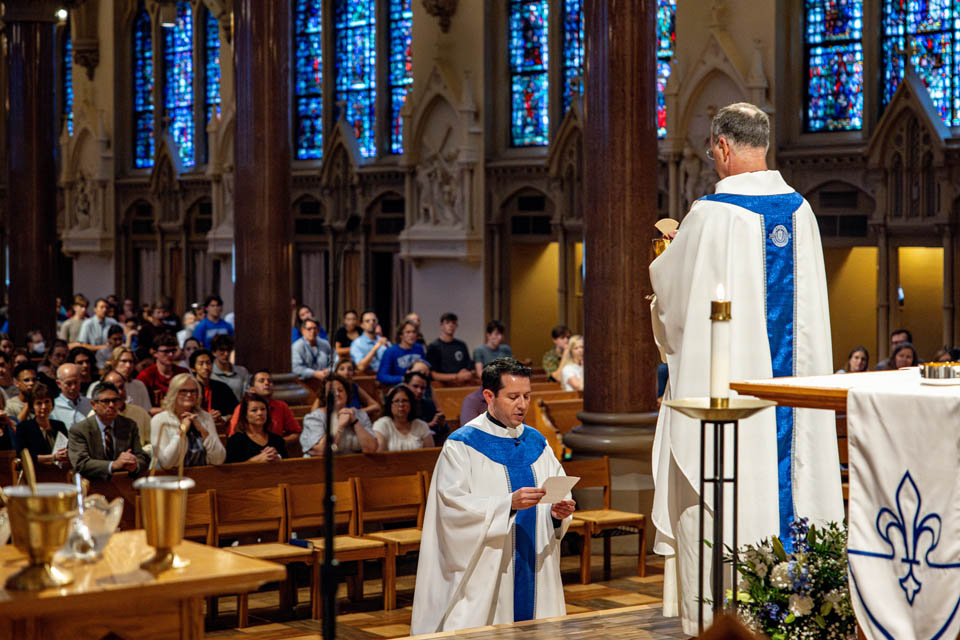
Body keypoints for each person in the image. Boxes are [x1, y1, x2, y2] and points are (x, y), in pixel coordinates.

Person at [649, 102, 844, 634]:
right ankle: (806, 606)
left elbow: (673, 300)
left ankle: (724, 621)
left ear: (722, 148)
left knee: (727, 492)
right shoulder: (802, 213)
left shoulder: (711, 216)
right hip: (793, 403)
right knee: (790, 474)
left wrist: (667, 249)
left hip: (729, 412)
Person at [410, 358, 576, 633]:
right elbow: (451, 508)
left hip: (533, 561)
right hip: (489, 570)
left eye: (526, 396)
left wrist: (557, 514)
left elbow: (557, 488)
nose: (522, 404)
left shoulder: (537, 441)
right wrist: (507, 504)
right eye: (513, 397)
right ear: (489, 396)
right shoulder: (462, 445)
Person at [68, 382, 150, 480]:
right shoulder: (80, 430)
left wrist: (135, 466)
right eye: (106, 401)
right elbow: (80, 463)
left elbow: (142, 457)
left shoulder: (129, 425)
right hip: (93, 486)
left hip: (123, 484)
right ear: (94, 405)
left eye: (115, 401)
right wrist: (113, 465)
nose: (111, 405)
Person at [151, 373, 226, 469]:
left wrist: (203, 432)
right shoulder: (159, 420)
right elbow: (166, 463)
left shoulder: (206, 417)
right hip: (168, 479)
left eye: (193, 391)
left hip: (203, 477)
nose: (189, 395)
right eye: (183, 391)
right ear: (174, 393)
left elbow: (219, 460)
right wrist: (181, 432)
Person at [301, 375, 378, 456]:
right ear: (324, 396)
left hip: (354, 465)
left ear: (347, 393)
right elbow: (321, 451)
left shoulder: (360, 415)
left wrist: (354, 421)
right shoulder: (314, 418)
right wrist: (340, 425)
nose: (337, 394)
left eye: (340, 390)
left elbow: (371, 449)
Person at [227, 369, 301, 450]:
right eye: (261, 381)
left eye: (270, 381)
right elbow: (232, 435)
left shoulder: (281, 406)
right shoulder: (242, 407)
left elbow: (295, 432)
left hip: (275, 451)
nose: (267, 383)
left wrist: (277, 443)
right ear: (252, 389)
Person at [99, 369, 154, 459]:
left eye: (121, 387)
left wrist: (137, 454)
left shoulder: (140, 413)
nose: (120, 392)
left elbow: (153, 443)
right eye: (114, 389)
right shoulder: (95, 416)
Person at [15, 383, 70, 467]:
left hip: (60, 472)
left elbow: (67, 449)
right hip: (37, 474)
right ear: (32, 406)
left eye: (47, 401)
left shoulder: (59, 425)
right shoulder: (24, 428)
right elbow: (24, 457)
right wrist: (53, 457)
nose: (44, 406)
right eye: (39, 403)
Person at [225, 393, 288, 463]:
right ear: (245, 415)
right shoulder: (236, 440)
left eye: (263, 409)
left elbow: (288, 466)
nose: (260, 413)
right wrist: (255, 460)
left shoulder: (277, 439)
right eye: (254, 410)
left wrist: (278, 459)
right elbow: (230, 470)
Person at [372, 385, 434, 452]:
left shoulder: (421, 425)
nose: (401, 404)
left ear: (411, 404)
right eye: (396, 401)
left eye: (405, 401)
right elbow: (379, 454)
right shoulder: (382, 424)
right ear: (390, 405)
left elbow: (430, 455)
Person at [189, 349, 238, 431]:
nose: (206, 367)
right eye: (201, 364)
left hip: (219, 429)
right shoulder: (189, 388)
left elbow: (236, 411)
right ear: (193, 368)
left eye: (208, 363)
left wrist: (223, 418)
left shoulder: (222, 387)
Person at [137, 334, 189, 408]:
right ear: (155, 353)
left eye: (173, 351)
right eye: (166, 351)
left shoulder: (183, 373)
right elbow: (141, 407)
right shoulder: (146, 376)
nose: (170, 354)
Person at [97, 347, 153, 412]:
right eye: (124, 361)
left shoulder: (139, 385)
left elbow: (146, 411)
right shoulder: (99, 386)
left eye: (131, 362)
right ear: (114, 362)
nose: (128, 365)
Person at [426, 312, 474, 385]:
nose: (451, 325)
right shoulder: (433, 347)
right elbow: (433, 374)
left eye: (453, 323)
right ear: (441, 326)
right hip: (442, 386)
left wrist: (467, 373)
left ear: (456, 326)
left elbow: (470, 367)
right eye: (447, 323)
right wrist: (456, 376)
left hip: (462, 384)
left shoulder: (461, 345)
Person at [404, 368, 448, 444]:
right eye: (415, 386)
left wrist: (442, 424)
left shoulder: (428, 404)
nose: (419, 391)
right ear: (405, 385)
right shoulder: (399, 405)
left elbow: (442, 431)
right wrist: (427, 425)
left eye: (423, 388)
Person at [377, 320, 426, 385]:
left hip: (418, 386)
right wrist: (403, 378)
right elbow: (382, 377)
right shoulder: (391, 351)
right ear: (401, 335)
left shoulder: (419, 348)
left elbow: (425, 366)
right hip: (400, 387)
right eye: (408, 332)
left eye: (414, 332)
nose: (411, 335)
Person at [51, 363, 94, 429]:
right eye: (69, 384)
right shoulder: (53, 407)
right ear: (59, 384)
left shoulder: (90, 404)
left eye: (76, 382)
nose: (73, 387)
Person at [292, 318, 332, 383]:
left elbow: (334, 361)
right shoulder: (297, 346)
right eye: (309, 329)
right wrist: (314, 374)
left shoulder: (325, 344)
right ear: (303, 331)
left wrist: (329, 370)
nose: (312, 331)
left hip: (325, 380)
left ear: (318, 330)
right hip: (304, 383)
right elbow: (296, 368)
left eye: (315, 328)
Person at [210, 334, 250, 401]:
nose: (226, 354)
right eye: (222, 350)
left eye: (228, 350)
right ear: (214, 352)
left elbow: (246, 395)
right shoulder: (209, 373)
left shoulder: (242, 372)